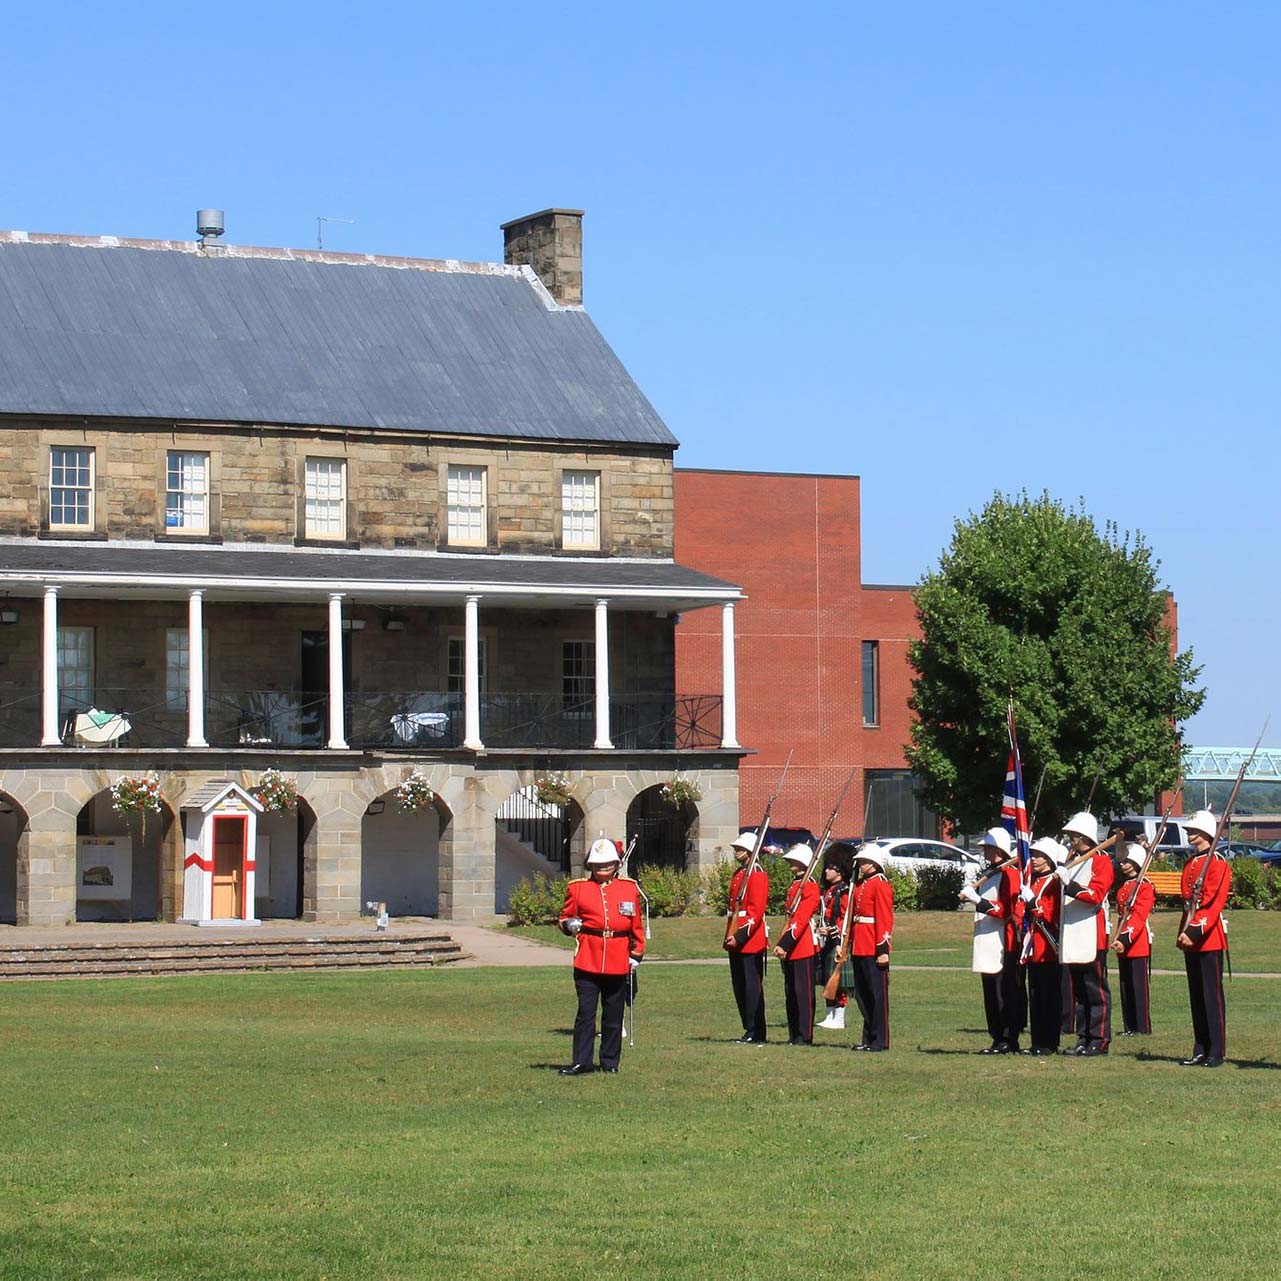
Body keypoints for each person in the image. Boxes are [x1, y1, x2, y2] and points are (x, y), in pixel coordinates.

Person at [557, 837, 646, 1075]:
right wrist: (569, 925)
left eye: (607, 864)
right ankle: (582, 1061)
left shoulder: (628, 888)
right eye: (597, 865)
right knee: (586, 1014)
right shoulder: (578, 888)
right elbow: (564, 917)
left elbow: (636, 924)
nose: (602, 869)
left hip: (618, 957)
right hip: (588, 956)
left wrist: (636, 953)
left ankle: (610, 1062)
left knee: (613, 1014)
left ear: (616, 865)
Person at [959, 826, 1026, 1054]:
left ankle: (1008, 1038)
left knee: (1003, 992)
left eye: (988, 847)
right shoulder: (991, 873)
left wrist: (978, 901)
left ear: (999, 849)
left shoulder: (1010, 874)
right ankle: (996, 1036)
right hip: (987, 936)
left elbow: (1006, 909)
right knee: (990, 991)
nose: (985, 851)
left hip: (1003, 940)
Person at [1176, 809, 1232, 1067]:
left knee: (1210, 995)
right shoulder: (1192, 863)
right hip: (1190, 931)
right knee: (1196, 995)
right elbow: (1189, 900)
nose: (1189, 834)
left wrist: (1194, 931)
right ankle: (1200, 1047)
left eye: (1193, 831)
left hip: (1207, 936)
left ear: (1206, 834)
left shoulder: (1217, 862)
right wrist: (1184, 932)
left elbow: (1212, 903)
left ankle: (1216, 1050)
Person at [1058, 810, 1114, 1057]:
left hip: (1092, 931)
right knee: (1080, 991)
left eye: (1075, 836)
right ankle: (1083, 1037)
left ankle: (1099, 1038)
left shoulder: (1101, 860)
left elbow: (1095, 896)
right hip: (1072, 930)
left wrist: (1069, 886)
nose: (1072, 840)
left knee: (1096, 990)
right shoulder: (1073, 858)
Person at [1020, 836, 1066, 1056]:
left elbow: (1051, 913)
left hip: (1048, 946)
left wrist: (1032, 903)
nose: (1034, 859)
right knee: (1035, 997)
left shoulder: (1054, 882)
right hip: (1033, 949)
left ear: (1049, 858)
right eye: (1034, 855)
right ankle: (1037, 1042)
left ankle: (1049, 1043)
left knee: (1049, 997)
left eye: (1039, 856)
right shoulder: (1033, 881)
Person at [724, 830, 770, 1043]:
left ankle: (756, 1030)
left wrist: (740, 936)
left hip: (749, 939)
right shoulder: (739, 874)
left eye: (741, 849)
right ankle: (748, 1027)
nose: (737, 851)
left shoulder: (757, 873)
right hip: (735, 934)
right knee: (740, 985)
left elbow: (755, 912)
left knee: (752, 987)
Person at [847, 845, 894, 1052]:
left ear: (874, 862)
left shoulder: (880, 884)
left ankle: (880, 1040)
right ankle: (868, 1038)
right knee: (863, 994)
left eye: (865, 861)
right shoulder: (860, 884)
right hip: (859, 942)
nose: (861, 864)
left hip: (873, 944)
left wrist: (883, 948)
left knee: (877, 995)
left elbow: (884, 918)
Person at [773, 844, 821, 1044]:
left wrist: (785, 943)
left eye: (793, 860)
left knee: (803, 992)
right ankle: (794, 1034)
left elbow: (800, 919)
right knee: (791, 992)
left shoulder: (809, 886)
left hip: (802, 943)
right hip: (793, 942)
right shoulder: (796, 884)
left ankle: (804, 1034)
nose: (790, 863)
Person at [1112, 842, 1155, 1036]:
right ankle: (1129, 1025)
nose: (1123, 865)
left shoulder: (1144, 886)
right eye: (1122, 861)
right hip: (1123, 938)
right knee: (1125, 985)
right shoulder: (1124, 885)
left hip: (1136, 940)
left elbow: (1138, 916)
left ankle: (1142, 1026)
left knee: (1138, 987)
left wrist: (1125, 938)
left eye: (1128, 862)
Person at [816, 845, 853, 1030]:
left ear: (840, 871)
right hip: (827, 942)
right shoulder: (829, 891)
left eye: (831, 868)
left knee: (838, 983)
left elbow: (843, 919)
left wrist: (831, 932)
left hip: (837, 941)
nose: (827, 871)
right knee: (827, 979)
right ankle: (829, 1015)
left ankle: (839, 1018)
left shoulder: (843, 891)